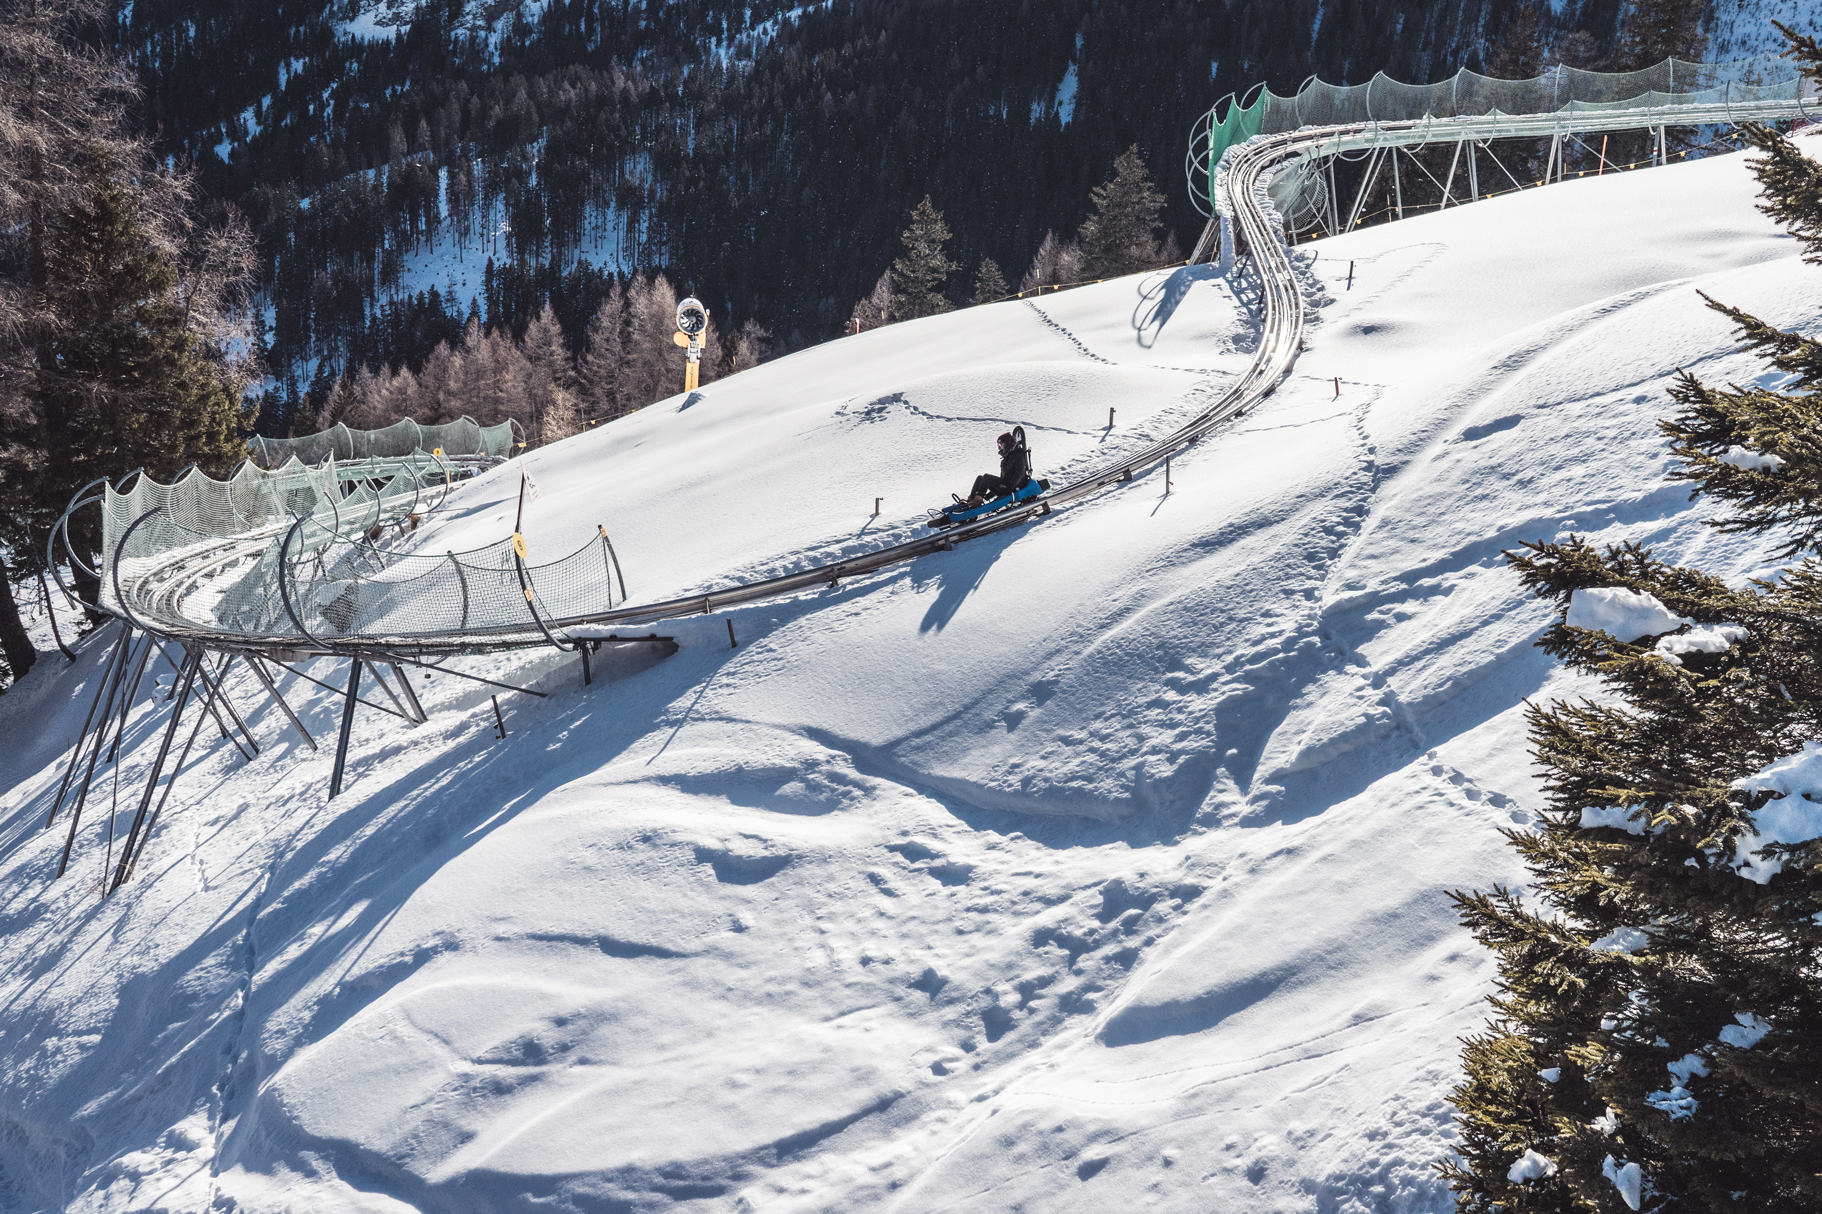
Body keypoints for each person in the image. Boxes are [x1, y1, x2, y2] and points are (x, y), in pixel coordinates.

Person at [960, 429, 1030, 508]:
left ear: (1008, 444)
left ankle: (976, 502)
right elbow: (1001, 481)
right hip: (1006, 486)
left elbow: (1019, 473)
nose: (999, 447)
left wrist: (1010, 487)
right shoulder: (1005, 460)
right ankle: (971, 500)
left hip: (1013, 487)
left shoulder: (1018, 455)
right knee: (980, 478)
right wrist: (987, 496)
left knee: (987, 477)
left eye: (1001, 445)